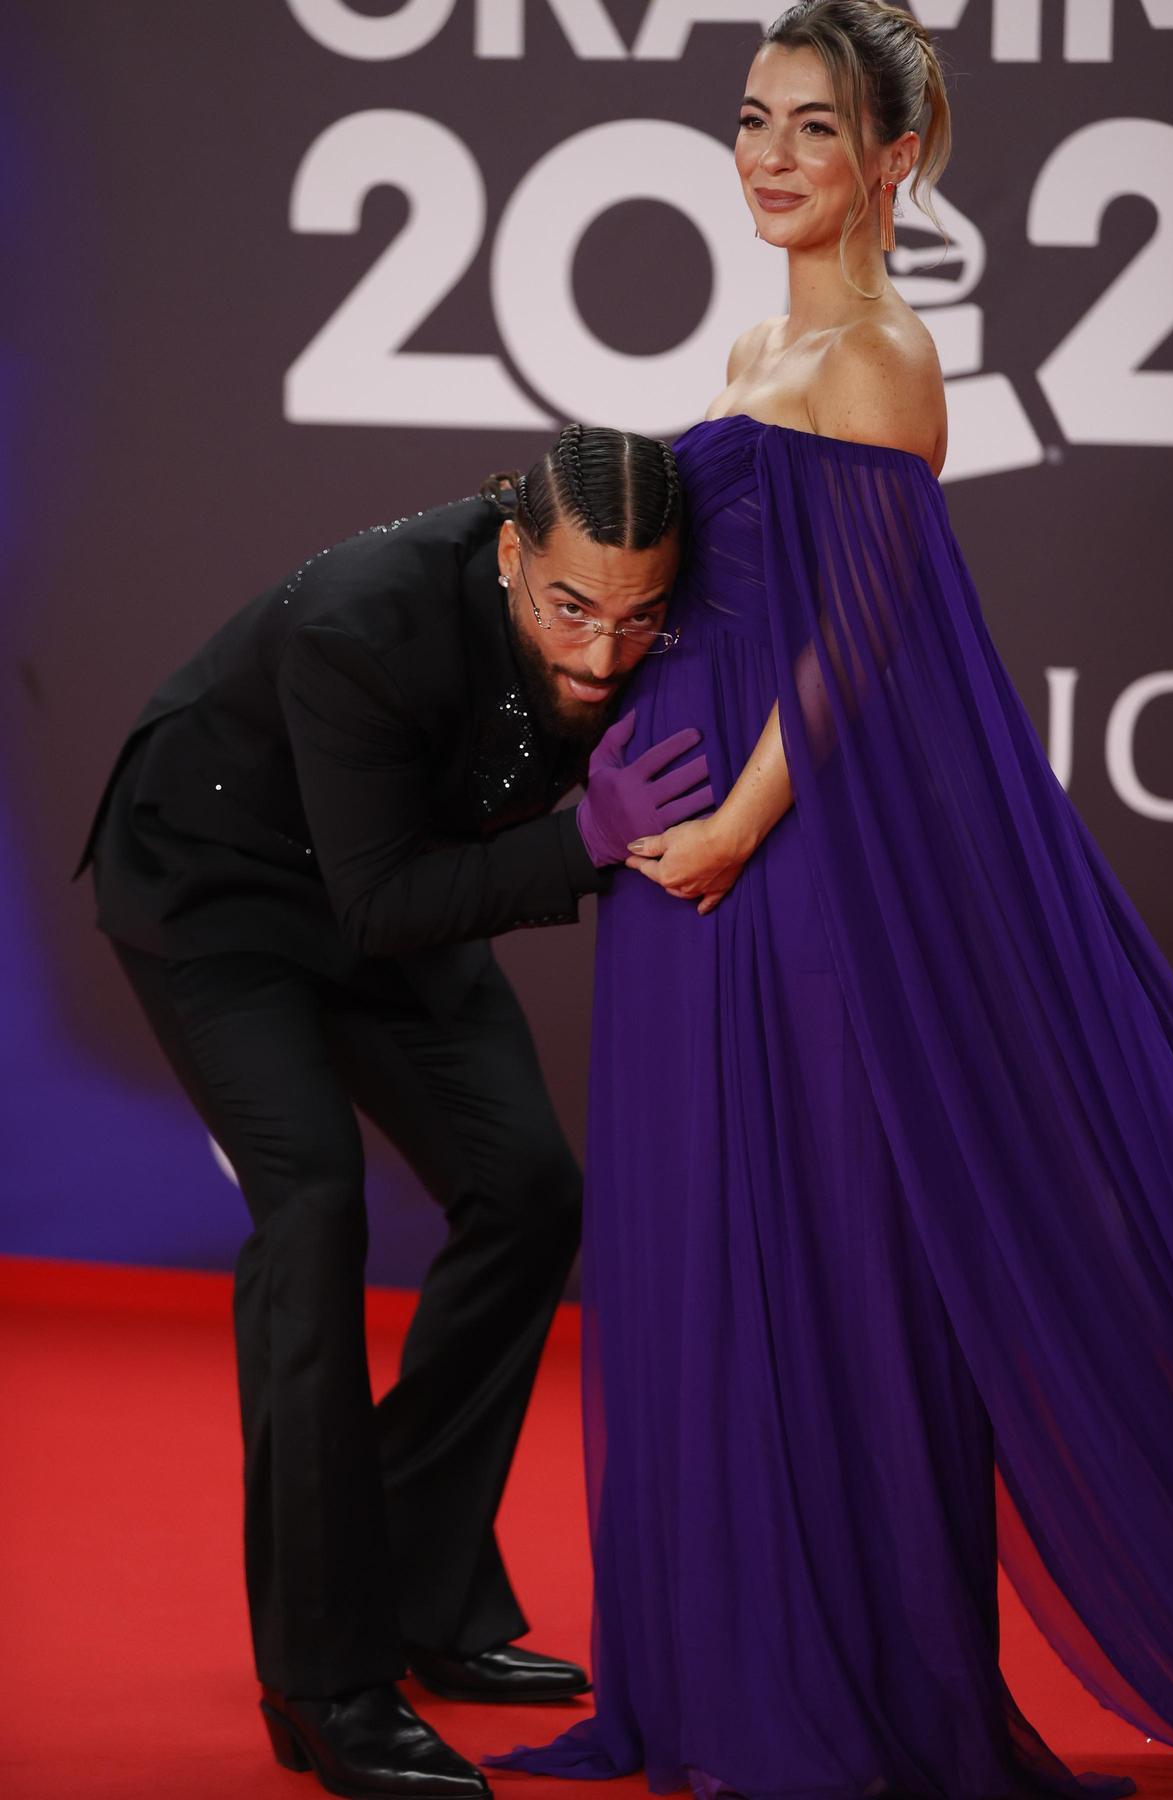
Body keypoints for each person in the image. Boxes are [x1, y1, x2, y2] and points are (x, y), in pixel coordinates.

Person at [488, 6, 1173, 1797]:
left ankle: (831, 1694)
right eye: (750, 121)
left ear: (896, 157)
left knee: (807, 1249)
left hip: (786, 871)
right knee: (686, 1254)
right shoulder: (751, 341)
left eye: (815, 127)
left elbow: (867, 636)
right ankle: (716, 1678)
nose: (771, 157)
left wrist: (733, 820)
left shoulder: (881, 356)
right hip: (680, 856)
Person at [76, 424, 715, 1799]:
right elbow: (375, 906)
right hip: (224, 898)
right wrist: (581, 847)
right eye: (571, 610)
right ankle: (325, 1682)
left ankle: (420, 1594)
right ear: (507, 552)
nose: (605, 658)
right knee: (310, 1212)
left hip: (399, 878)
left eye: (639, 617)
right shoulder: (367, 621)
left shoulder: (635, 599)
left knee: (532, 1193)